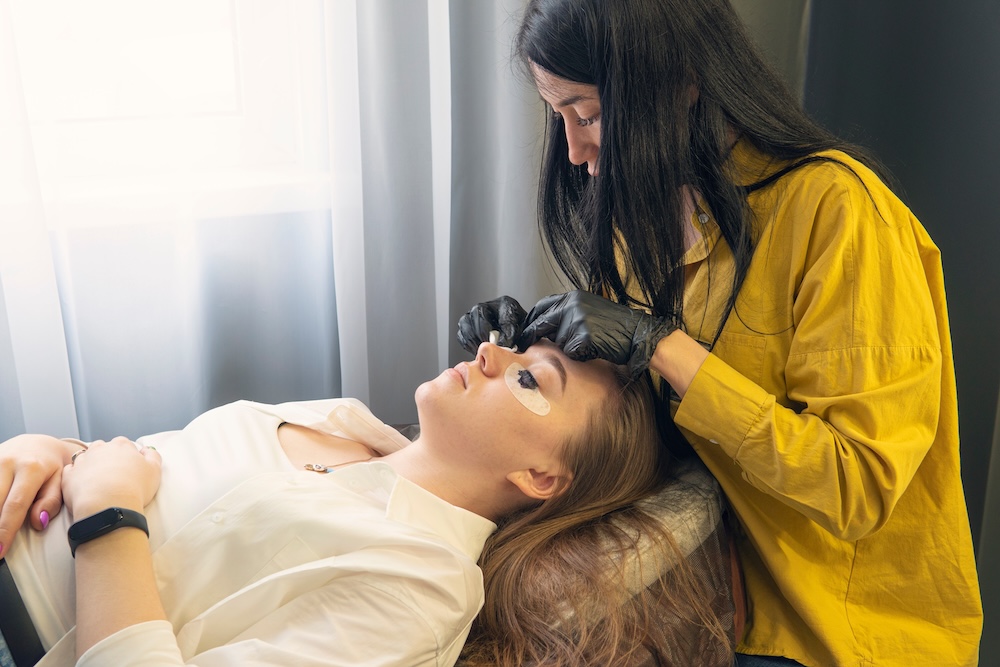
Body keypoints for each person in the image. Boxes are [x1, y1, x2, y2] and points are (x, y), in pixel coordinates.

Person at [457, 1, 983, 665]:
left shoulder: (839, 213)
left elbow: (856, 489)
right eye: (558, 116)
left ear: (680, 81)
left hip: (834, 632)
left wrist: (663, 346)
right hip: (709, 586)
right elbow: (634, 414)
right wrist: (535, 341)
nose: (573, 148)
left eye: (587, 114)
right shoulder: (641, 214)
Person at [0, 340, 734, 667]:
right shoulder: (343, 420)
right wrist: (55, 450)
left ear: (543, 477)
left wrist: (104, 516)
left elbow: (128, 505)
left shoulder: (424, 584)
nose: (489, 351)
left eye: (531, 380)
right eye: (518, 349)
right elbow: (167, 477)